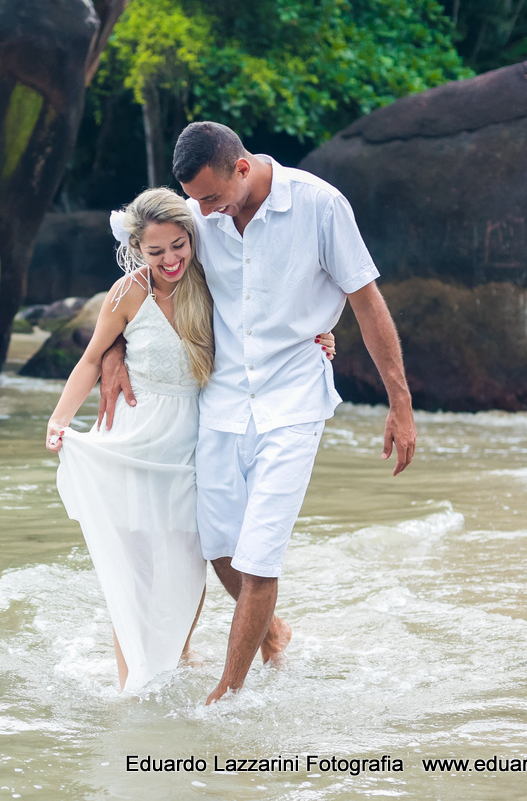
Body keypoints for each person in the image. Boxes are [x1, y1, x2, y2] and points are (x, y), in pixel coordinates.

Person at [98, 122, 417, 704]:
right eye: (194, 200)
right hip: (221, 402)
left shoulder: (320, 206)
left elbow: (366, 301)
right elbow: (152, 280)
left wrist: (400, 401)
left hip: (293, 403)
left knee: (260, 556)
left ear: (242, 168)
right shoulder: (202, 215)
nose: (202, 210)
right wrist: (112, 353)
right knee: (219, 546)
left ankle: (227, 694)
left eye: (211, 198)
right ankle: (273, 634)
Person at [45, 187, 336, 694]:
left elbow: (268, 322)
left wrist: (317, 338)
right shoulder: (127, 292)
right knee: (132, 562)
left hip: (194, 437)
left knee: (189, 555)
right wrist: (60, 418)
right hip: (132, 439)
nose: (170, 259)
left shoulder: (214, 284)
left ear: (191, 239)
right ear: (137, 249)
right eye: (155, 252)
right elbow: (92, 357)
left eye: (178, 246)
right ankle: (130, 682)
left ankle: (198, 644)